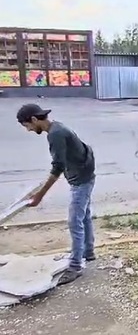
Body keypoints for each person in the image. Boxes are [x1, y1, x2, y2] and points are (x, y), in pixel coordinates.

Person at [16, 103, 96, 285]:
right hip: (85, 174)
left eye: (27, 125)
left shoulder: (55, 134)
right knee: (84, 217)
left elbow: (57, 167)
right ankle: (88, 253)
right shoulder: (57, 127)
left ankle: (75, 266)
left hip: (81, 180)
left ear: (34, 119)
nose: (28, 130)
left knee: (75, 221)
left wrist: (40, 195)